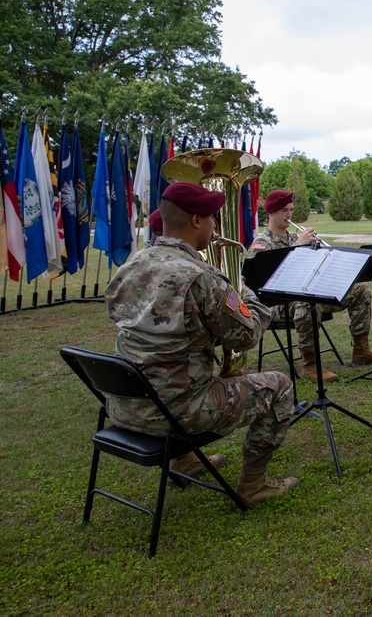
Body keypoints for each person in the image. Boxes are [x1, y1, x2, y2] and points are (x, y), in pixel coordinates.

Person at [105, 181, 298, 506]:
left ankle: (185, 461)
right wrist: (244, 291)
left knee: (209, 377)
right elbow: (248, 334)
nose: (214, 226)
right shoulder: (200, 277)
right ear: (197, 221)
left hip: (123, 406)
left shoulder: (131, 265)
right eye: (212, 218)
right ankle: (253, 485)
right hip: (176, 412)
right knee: (279, 387)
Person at [250, 190, 372, 382]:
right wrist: (298, 247)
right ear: (271, 212)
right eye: (284, 210)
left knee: (361, 289)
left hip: (308, 294)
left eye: (291, 209)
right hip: (279, 303)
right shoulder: (261, 243)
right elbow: (269, 278)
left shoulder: (295, 237)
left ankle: (361, 350)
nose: (289, 215)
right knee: (307, 304)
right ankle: (310, 364)